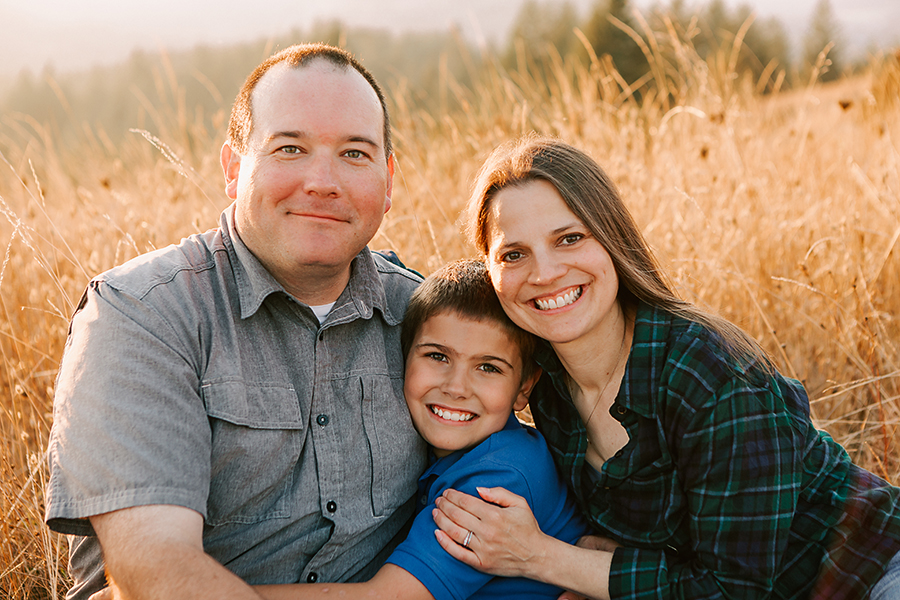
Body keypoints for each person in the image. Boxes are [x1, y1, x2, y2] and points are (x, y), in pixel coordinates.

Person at [430, 135, 900, 599]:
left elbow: (733, 591)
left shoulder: (707, 371)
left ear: (612, 238)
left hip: (873, 570)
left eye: (570, 238)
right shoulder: (542, 383)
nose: (545, 272)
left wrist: (540, 556)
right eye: (514, 254)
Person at [45, 43, 426, 600]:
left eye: (355, 154)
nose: (323, 181)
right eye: (290, 148)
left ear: (388, 181)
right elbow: (158, 574)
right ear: (233, 167)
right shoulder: (143, 314)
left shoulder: (424, 317)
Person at [247, 259, 587, 600]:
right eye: (438, 357)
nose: (457, 388)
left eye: (488, 367)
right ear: (402, 358)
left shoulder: (500, 479)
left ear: (524, 388)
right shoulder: (462, 454)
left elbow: (386, 597)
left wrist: (203, 588)